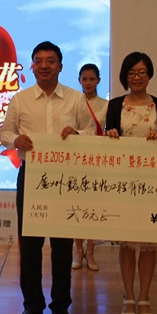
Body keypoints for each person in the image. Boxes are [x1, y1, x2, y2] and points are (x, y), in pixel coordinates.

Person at [0, 41, 94, 314]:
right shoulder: (21, 99)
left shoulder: (76, 99)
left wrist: (77, 134)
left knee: (62, 245)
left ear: (60, 66)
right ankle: (32, 305)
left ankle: (61, 305)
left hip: (65, 178)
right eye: (38, 61)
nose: (44, 66)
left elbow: (91, 132)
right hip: (31, 176)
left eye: (50, 61)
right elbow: (5, 132)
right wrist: (15, 140)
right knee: (29, 245)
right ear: (32, 66)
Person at [105, 52, 157, 314]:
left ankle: (144, 296)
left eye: (142, 72)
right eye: (132, 72)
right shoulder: (115, 104)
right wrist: (110, 135)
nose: (137, 77)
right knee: (127, 241)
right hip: (123, 180)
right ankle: (128, 296)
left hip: (152, 180)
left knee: (147, 243)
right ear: (125, 76)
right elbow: (107, 139)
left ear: (149, 74)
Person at [73, 63, 107, 272]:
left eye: (92, 79)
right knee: (77, 206)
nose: (88, 83)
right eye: (84, 79)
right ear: (79, 80)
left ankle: (91, 250)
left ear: (98, 81)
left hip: (98, 160)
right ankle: (78, 250)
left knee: (93, 207)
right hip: (76, 160)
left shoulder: (106, 105)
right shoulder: (73, 103)